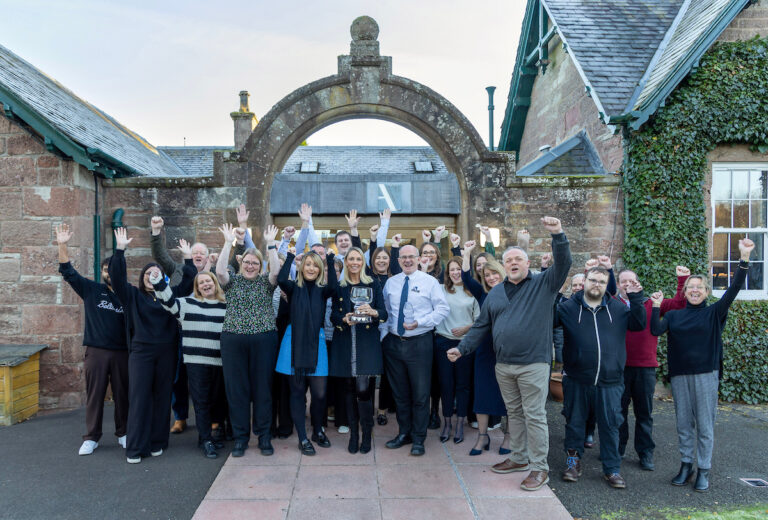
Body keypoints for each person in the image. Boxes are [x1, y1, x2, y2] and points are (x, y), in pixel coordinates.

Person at [448, 216, 571, 492]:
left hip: (533, 363)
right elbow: (481, 327)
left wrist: (558, 235)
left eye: (518, 259)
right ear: (503, 267)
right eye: (508, 260)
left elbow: (563, 265)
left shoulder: (543, 284)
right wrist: (462, 348)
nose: (513, 263)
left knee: (534, 415)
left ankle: (540, 468)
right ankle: (518, 458)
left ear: (527, 264)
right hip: (504, 366)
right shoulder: (496, 293)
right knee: (513, 414)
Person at [650, 238, 754, 493]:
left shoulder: (714, 312)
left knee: (705, 425)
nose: (694, 291)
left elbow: (735, 288)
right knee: (683, 423)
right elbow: (654, 329)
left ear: (706, 292)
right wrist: (655, 307)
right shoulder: (674, 314)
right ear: (684, 293)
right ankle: (686, 465)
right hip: (680, 376)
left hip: (706, 375)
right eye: (690, 288)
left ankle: (703, 469)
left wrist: (744, 257)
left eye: (699, 288)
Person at [109, 228, 195, 463]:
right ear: (143, 277)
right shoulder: (133, 296)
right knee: (139, 398)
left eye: (156, 273)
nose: (152, 276)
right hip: (142, 352)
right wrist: (120, 250)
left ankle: (158, 442)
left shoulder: (170, 296)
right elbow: (117, 278)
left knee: (162, 396)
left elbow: (188, 281)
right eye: (148, 273)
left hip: (166, 352)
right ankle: (136, 448)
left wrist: (188, 257)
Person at [557, 266, 646, 489]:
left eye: (601, 282)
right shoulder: (568, 308)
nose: (596, 284)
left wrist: (636, 297)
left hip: (611, 382)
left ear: (607, 286)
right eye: (593, 280)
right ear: (585, 281)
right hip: (577, 379)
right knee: (574, 424)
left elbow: (639, 324)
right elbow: (547, 323)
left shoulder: (617, 309)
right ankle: (572, 463)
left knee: (610, 426)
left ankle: (612, 469)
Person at [55, 224, 128, 456]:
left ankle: (124, 433)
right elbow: (68, 272)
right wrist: (62, 244)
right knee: (95, 395)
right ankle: (91, 437)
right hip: (96, 351)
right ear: (102, 272)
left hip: (122, 352)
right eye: (106, 269)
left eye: (113, 268)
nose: (109, 272)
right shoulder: (91, 290)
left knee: (123, 395)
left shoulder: (129, 295)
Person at [215, 223, 281, 457]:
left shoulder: (266, 283)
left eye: (255, 263)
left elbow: (276, 271)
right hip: (234, 340)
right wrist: (227, 242)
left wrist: (271, 244)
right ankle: (241, 438)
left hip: (263, 339)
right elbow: (220, 270)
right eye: (247, 262)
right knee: (237, 391)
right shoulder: (232, 281)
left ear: (259, 266)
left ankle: (264, 437)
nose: (251, 266)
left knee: (263, 390)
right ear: (241, 264)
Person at [151, 267, 228, 459]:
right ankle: (205, 439)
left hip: (221, 361)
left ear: (215, 283)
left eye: (208, 281)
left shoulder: (226, 305)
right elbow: (167, 301)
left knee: (218, 399)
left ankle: (214, 434)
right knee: (201, 401)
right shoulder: (186, 304)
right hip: (197, 361)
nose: (205, 284)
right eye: (201, 282)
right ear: (197, 287)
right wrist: (158, 281)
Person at [617, 265, 689, 470]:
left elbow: (679, 304)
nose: (627, 285)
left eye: (631, 281)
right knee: (617, 413)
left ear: (638, 283)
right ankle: (617, 449)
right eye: (624, 281)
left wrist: (682, 279)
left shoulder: (651, 303)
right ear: (618, 284)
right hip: (619, 368)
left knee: (644, 413)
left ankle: (645, 453)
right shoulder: (613, 304)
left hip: (645, 367)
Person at [382, 244, 450, 456]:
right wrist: (385, 336)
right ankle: (404, 433)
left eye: (412, 257)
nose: (408, 260)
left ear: (419, 259)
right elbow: (386, 311)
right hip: (394, 344)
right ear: (399, 260)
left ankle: (418, 439)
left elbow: (443, 309)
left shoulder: (429, 282)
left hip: (419, 343)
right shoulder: (391, 283)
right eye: (403, 257)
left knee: (420, 394)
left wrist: (421, 322)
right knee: (400, 394)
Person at [150, 215, 211, 435]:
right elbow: (159, 254)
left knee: (206, 376)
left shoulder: (212, 275)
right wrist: (156, 232)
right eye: (195, 253)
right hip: (178, 331)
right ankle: (180, 417)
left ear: (206, 258)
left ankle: (210, 417)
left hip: (204, 333)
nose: (198, 256)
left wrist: (238, 239)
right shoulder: (176, 268)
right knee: (178, 376)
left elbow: (234, 263)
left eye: (201, 254)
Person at [276, 249, 338, 455]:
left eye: (315, 265)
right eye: (308, 264)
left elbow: (334, 286)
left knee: (320, 393)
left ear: (320, 269)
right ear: (302, 268)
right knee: (297, 392)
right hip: (293, 343)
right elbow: (280, 278)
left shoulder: (323, 290)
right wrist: (291, 257)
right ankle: (303, 437)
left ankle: (318, 430)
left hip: (316, 342)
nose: (311, 268)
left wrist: (329, 258)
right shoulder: (292, 288)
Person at [329, 248, 387, 454]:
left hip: (366, 345)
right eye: (351, 259)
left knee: (363, 392)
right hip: (345, 343)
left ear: (363, 262)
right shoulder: (340, 287)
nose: (354, 262)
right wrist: (343, 319)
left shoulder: (373, 284)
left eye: (358, 259)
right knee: (347, 392)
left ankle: (366, 436)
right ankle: (353, 435)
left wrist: (373, 312)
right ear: (345, 262)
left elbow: (384, 313)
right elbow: (333, 316)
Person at [458, 241, 509, 456]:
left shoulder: (515, 292)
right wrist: (467, 254)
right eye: (487, 275)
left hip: (508, 352)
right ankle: (482, 436)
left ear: (501, 273)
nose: (490, 278)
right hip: (485, 351)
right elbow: (466, 278)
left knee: (509, 396)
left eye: (494, 274)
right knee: (482, 393)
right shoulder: (483, 294)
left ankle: (509, 437)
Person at [434, 255, 479, 444]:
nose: (455, 272)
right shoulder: (441, 290)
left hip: (465, 344)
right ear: (447, 272)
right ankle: (447, 423)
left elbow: (480, 320)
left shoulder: (473, 292)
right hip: (443, 342)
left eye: (459, 269)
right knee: (446, 385)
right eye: (452, 269)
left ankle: (460, 423)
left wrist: (466, 328)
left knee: (463, 386)